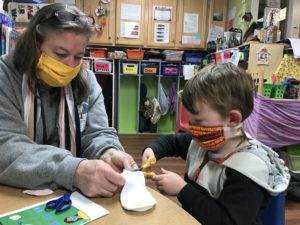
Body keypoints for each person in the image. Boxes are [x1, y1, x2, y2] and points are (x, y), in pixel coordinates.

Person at [0, 3, 137, 197]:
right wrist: (73, 170)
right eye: (61, 54)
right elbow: (5, 146)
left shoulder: (86, 80)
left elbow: (97, 133)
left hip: (69, 195)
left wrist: (109, 151)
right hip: (11, 192)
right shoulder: (5, 76)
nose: (70, 65)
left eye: (78, 56)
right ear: (36, 45)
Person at [142, 63, 290, 225]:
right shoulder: (205, 141)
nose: (192, 126)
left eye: (199, 121)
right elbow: (172, 142)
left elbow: (227, 221)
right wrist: (152, 150)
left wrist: (182, 189)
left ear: (232, 119)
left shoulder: (249, 171)